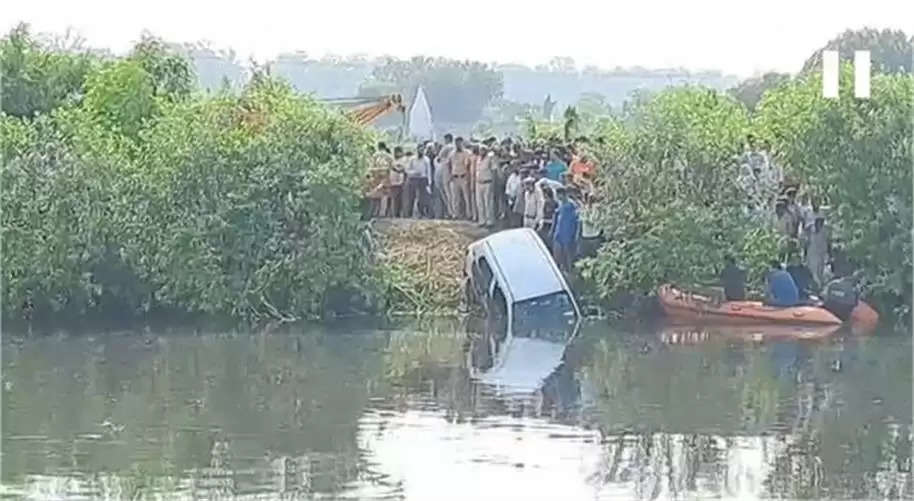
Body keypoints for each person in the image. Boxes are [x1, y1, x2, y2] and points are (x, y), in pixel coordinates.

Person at [551, 187, 579, 273]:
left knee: (568, 256)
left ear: (564, 194)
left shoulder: (571, 205)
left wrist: (574, 235)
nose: (558, 197)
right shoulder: (561, 204)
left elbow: (575, 221)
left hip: (568, 233)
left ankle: (570, 272)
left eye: (559, 195)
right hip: (559, 233)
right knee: (558, 256)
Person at [449, 137, 473, 219]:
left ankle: (469, 214)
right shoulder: (452, 154)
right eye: (456, 143)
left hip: (463, 176)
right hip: (455, 177)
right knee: (455, 198)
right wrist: (450, 175)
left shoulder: (467, 153)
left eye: (459, 142)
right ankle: (456, 214)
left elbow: (469, 165)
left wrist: (468, 176)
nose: (457, 144)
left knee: (467, 197)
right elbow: (449, 164)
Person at [404, 144, 431, 218]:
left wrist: (429, 183)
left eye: (422, 150)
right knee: (411, 197)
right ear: (417, 150)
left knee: (422, 198)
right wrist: (414, 172)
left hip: (423, 179)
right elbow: (407, 169)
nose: (421, 151)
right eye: (420, 149)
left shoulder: (426, 159)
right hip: (413, 179)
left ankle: (421, 213)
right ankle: (409, 214)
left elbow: (428, 172)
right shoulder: (412, 159)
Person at [804, 215, 830, 286]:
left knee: (820, 272)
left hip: (821, 254)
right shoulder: (811, 231)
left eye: (821, 223)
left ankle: (820, 286)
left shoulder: (825, 231)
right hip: (812, 254)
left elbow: (828, 242)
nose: (819, 225)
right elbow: (806, 241)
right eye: (817, 223)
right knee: (813, 271)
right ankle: (816, 286)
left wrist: (828, 255)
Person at [475, 145, 496, 227]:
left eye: (483, 150)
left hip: (487, 182)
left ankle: (490, 221)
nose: (481, 151)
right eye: (480, 150)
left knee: (488, 203)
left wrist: (493, 183)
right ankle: (482, 220)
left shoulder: (490, 158)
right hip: (479, 182)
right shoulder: (478, 159)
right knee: (480, 203)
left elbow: (494, 171)